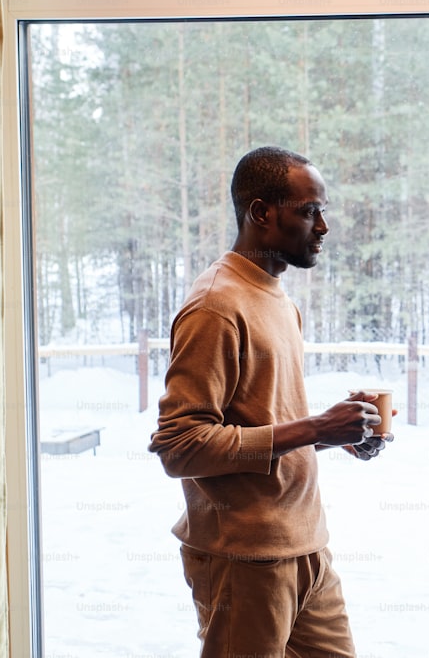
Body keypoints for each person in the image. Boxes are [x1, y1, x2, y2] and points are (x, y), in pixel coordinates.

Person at [149, 146, 393, 658]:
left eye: (322, 211)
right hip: (243, 558)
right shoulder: (216, 306)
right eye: (308, 212)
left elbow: (259, 426)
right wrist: (315, 430)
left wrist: (338, 435)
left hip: (305, 547)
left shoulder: (278, 298)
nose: (323, 226)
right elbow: (180, 446)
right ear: (261, 213)